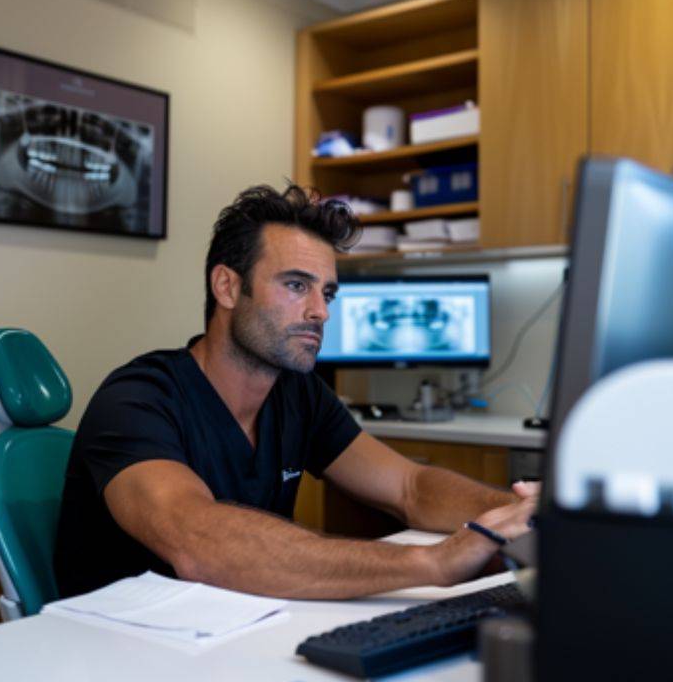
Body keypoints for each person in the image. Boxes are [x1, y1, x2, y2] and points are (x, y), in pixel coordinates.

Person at [53, 183, 535, 599]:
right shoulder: (138, 399)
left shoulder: (297, 395)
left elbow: (410, 487)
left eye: (326, 293)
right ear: (226, 286)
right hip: (117, 660)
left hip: (231, 636)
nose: (320, 312)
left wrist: (519, 515)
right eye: (295, 285)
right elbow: (199, 543)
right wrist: (431, 563)